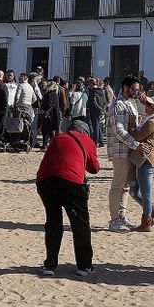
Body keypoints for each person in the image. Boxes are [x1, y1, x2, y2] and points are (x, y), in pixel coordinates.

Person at [34, 117, 100, 276]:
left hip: (45, 181)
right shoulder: (87, 140)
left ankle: (50, 265)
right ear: (85, 132)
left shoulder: (57, 137)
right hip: (72, 183)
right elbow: (95, 168)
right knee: (80, 224)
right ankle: (84, 266)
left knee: (53, 222)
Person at [106, 76, 143, 233]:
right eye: (134, 89)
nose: (136, 92)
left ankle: (122, 216)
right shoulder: (118, 105)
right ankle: (114, 219)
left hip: (130, 151)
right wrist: (136, 144)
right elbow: (119, 131)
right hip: (120, 150)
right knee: (118, 185)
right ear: (126, 87)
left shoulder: (131, 103)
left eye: (137, 89)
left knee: (126, 187)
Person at [129, 93, 154, 232]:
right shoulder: (150, 119)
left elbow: (137, 136)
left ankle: (146, 222)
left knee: (145, 193)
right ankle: (153, 211)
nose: (146, 106)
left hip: (146, 161)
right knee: (135, 191)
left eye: (149, 105)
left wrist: (131, 125)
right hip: (143, 160)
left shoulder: (151, 122)